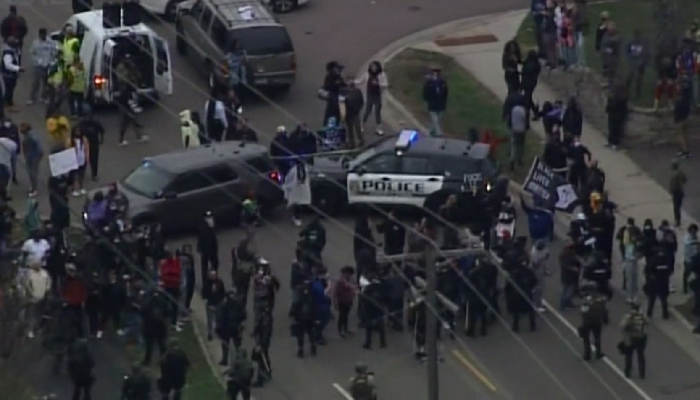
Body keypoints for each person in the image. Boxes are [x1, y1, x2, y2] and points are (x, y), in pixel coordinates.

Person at [578, 280, 608, 361]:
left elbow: (583, 311)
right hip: (598, 321)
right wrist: (605, 319)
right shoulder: (601, 298)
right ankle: (598, 353)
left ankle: (587, 354)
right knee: (597, 337)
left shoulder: (586, 300)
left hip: (588, 321)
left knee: (586, 338)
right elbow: (604, 310)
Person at [356, 60, 387, 136]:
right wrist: (353, 82)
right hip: (369, 95)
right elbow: (361, 81)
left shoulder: (381, 75)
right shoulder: (367, 74)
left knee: (377, 112)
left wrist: (379, 84)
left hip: (378, 96)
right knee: (367, 111)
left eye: (375, 67)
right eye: (372, 67)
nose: (373, 68)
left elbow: (385, 84)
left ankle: (379, 128)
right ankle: (362, 125)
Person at [216, 290, 246, 366]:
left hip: (228, 328)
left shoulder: (223, 305)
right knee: (236, 345)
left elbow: (219, 317)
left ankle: (226, 360)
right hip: (233, 327)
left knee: (227, 345)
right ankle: (237, 360)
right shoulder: (238, 304)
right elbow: (243, 315)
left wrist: (219, 328)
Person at [619, 302, 648, 379]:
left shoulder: (629, 317)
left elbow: (623, 326)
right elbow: (647, 322)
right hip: (641, 338)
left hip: (631, 338)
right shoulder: (641, 316)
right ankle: (642, 373)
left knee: (629, 355)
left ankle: (628, 371)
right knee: (641, 356)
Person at [24, 261, 51, 338]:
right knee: (31, 314)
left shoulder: (44, 273)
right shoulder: (29, 274)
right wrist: (31, 293)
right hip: (32, 298)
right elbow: (26, 284)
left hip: (42, 296)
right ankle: (30, 330)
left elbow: (48, 282)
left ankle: (37, 328)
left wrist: (46, 290)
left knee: (39, 313)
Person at [28, 28, 56, 105]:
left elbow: (54, 52)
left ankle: (43, 97)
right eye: (41, 35)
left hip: (47, 65)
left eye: (43, 35)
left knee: (47, 83)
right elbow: (32, 53)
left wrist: (52, 61)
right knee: (36, 83)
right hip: (38, 65)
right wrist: (36, 60)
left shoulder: (50, 42)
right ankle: (32, 98)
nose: (42, 36)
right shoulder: (36, 43)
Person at [644, 245, 672, 319]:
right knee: (664, 299)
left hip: (654, 284)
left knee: (652, 299)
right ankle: (665, 314)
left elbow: (647, 271)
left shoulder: (652, 260)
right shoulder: (666, 260)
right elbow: (669, 271)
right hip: (664, 283)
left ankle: (649, 313)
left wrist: (648, 281)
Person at [283, 159, 311, 227]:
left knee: (301, 203)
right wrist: (287, 187)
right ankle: (296, 218)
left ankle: (297, 217)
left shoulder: (305, 169)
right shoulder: (293, 170)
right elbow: (288, 178)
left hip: (302, 189)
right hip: (296, 189)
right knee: (296, 204)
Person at [78, 112, 104, 181]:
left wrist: (101, 139)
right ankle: (81, 174)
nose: (88, 119)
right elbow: (77, 133)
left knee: (94, 160)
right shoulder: (82, 124)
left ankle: (94, 175)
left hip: (94, 144)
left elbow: (102, 130)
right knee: (83, 160)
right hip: (84, 144)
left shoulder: (95, 123)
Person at [422, 67, 448, 137]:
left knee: (438, 119)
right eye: (434, 73)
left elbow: (445, 93)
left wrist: (444, 102)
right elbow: (425, 93)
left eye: (437, 73)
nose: (435, 75)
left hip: (441, 104)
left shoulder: (442, 83)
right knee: (435, 119)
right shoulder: (429, 83)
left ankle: (431, 131)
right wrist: (426, 101)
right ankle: (439, 133)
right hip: (432, 104)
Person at [20, 122, 43, 196]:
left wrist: (39, 154)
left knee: (33, 173)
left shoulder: (31, 136)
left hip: (34, 156)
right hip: (29, 156)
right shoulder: (27, 135)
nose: (21, 129)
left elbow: (38, 145)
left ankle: (35, 190)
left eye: (22, 128)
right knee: (30, 172)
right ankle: (33, 187)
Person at [201, 268, 225, 340]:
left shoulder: (220, 283)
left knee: (218, 319)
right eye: (211, 275)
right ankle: (210, 333)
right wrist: (206, 300)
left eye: (214, 275)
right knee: (210, 320)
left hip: (218, 303)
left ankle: (217, 331)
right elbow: (203, 293)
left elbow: (223, 292)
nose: (213, 277)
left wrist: (222, 301)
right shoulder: (207, 283)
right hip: (210, 303)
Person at [196, 211, 219, 283]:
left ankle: (213, 277)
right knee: (206, 266)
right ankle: (206, 280)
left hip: (211, 249)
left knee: (214, 264)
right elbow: (202, 238)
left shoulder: (210, 225)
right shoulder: (203, 227)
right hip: (207, 249)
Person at [2, 36, 22, 112]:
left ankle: (9, 103)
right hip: (8, 75)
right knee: (8, 89)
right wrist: (18, 68)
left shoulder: (13, 50)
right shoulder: (8, 53)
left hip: (11, 75)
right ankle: (7, 105)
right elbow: (8, 65)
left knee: (11, 88)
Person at [343, 78, 364, 148]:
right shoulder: (344, 92)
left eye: (352, 80)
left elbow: (361, 101)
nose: (350, 82)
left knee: (357, 127)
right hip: (348, 113)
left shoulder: (358, 91)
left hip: (355, 112)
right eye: (349, 80)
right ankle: (351, 142)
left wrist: (358, 108)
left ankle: (361, 140)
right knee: (349, 128)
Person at [69, 127, 90, 196]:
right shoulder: (70, 140)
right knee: (74, 175)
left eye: (79, 131)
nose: (78, 133)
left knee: (81, 175)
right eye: (76, 131)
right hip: (74, 160)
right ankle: (74, 189)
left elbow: (87, 148)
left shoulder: (84, 139)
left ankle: (81, 187)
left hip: (82, 159)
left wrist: (87, 158)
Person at [669, 161, 687, 227]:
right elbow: (685, 180)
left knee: (676, 207)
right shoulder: (681, 172)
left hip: (676, 192)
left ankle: (677, 221)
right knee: (679, 206)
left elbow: (673, 184)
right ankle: (678, 220)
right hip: (681, 191)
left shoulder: (674, 174)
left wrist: (671, 191)